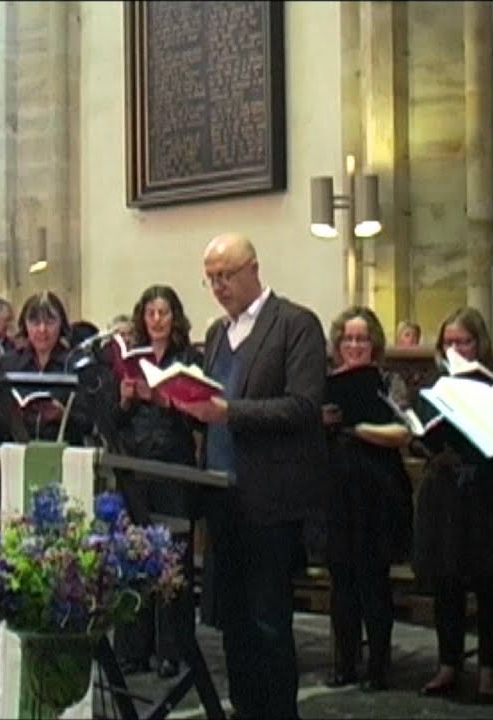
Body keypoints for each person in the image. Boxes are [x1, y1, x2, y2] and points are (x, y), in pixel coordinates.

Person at [171, 233, 327, 719]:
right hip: (222, 498)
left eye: (226, 276)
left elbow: (303, 406)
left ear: (253, 269)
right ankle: (244, 708)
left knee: (268, 623)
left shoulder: (295, 324)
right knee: (232, 622)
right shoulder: (218, 333)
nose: (218, 287)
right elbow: (213, 403)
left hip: (270, 499)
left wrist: (229, 412)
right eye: (210, 278)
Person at [413, 307, 493, 703]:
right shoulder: (436, 385)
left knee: (488, 583)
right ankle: (448, 663)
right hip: (445, 488)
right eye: (449, 342)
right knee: (446, 581)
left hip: (483, 488)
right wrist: (426, 442)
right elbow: (417, 431)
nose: (456, 349)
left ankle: (488, 671)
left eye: (464, 342)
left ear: (478, 344)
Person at [319, 306, 414, 693]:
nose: (354, 345)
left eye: (361, 339)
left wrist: (358, 428)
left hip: (378, 487)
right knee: (341, 578)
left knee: (373, 578)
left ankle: (378, 665)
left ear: (373, 343)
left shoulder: (388, 381)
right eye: (347, 339)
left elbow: (403, 432)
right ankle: (344, 662)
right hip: (337, 487)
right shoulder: (326, 382)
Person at [112, 285, 202, 680]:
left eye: (164, 312)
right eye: (150, 313)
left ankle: (173, 648)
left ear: (175, 317)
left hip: (173, 467)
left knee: (172, 561)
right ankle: (133, 649)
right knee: (134, 558)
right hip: (135, 467)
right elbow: (113, 422)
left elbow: (202, 416)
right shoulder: (132, 361)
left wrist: (166, 400)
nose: (157, 320)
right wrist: (125, 400)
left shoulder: (190, 359)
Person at [0, 291, 94, 447]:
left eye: (50, 322)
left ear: (62, 324)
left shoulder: (78, 364)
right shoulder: (8, 364)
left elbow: (91, 423)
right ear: (25, 325)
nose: (42, 329)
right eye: (34, 322)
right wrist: (13, 415)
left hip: (67, 452)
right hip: (17, 453)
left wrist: (64, 416)